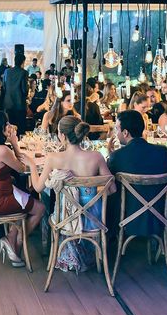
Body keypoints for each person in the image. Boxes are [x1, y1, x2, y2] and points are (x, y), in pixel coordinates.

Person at [27, 116, 115, 272]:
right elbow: (112, 189)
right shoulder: (96, 156)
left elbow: (38, 187)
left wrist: (32, 166)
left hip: (65, 218)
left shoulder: (53, 158)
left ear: (62, 135)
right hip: (93, 219)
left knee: (48, 206)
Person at [0, 111, 45, 267]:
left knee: (27, 195)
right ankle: (15, 244)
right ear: (0, 128)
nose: (10, 126)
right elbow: (21, 168)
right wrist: (14, 144)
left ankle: (11, 238)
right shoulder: (2, 150)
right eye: (7, 124)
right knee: (39, 208)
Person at [108, 110, 167, 237]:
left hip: (127, 214)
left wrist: (110, 156)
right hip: (159, 214)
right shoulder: (162, 151)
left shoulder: (117, 156)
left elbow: (109, 186)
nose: (116, 133)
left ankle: (111, 240)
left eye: (117, 129)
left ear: (125, 132)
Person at [2, 53, 29, 136]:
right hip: (19, 104)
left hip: (8, 103)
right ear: (23, 62)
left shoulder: (7, 71)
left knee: (9, 128)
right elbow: (24, 90)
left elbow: (4, 87)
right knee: (20, 129)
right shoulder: (23, 72)